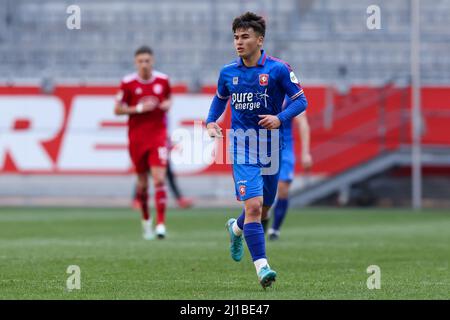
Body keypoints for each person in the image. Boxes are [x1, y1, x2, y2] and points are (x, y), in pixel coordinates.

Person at [206, 12, 308, 289]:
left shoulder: (278, 69)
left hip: (272, 147)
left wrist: (280, 118)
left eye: (245, 37)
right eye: (236, 37)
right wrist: (210, 122)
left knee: (263, 208)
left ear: (259, 40)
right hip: (241, 146)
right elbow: (219, 100)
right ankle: (263, 267)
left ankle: (236, 228)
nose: (239, 42)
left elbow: (301, 102)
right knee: (252, 206)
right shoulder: (228, 72)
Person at [114, 46, 171, 240]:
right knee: (143, 184)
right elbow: (117, 110)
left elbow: (169, 99)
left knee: (159, 179)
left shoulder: (163, 80)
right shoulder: (128, 83)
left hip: (158, 136)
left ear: (152, 61)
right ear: (135, 62)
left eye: (147, 60)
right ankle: (147, 221)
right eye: (141, 61)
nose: (144, 64)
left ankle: (161, 224)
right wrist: (139, 108)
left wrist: (166, 105)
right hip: (137, 138)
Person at [268, 108, 312, 240]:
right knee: (261, 192)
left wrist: (305, 153)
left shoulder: (291, 94)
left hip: (284, 145)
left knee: (283, 189)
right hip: (262, 143)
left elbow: (303, 123)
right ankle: (262, 219)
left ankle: (275, 229)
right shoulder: (260, 91)